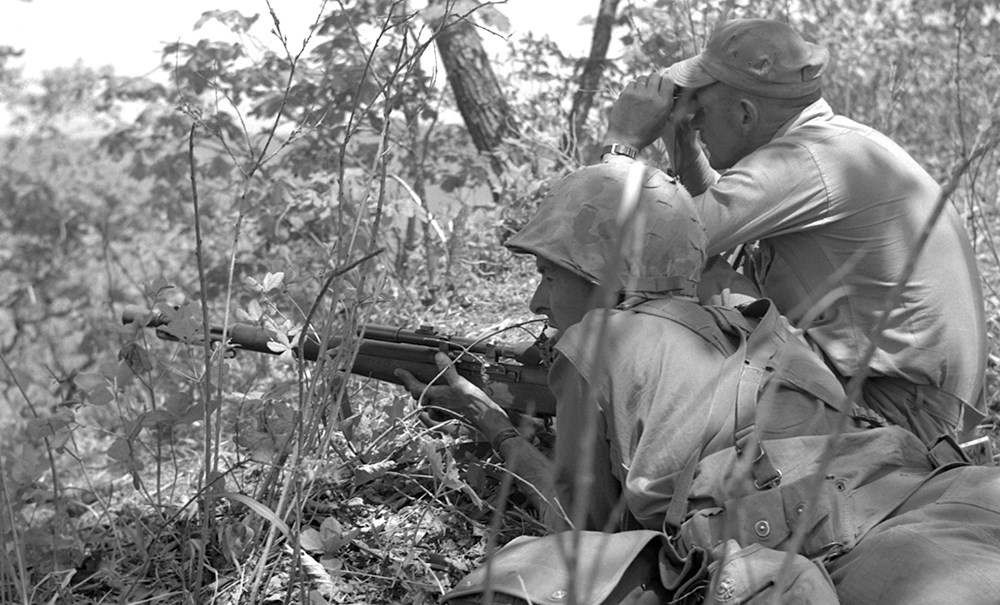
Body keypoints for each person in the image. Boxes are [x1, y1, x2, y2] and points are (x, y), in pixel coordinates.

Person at [396, 162, 1000, 604]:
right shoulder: (761, 321)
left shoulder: (598, 339)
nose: (536, 299)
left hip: (847, 550)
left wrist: (496, 428)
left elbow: (585, 524)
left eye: (550, 275)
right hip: (947, 488)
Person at [601, 18, 987, 445]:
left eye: (702, 110)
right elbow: (718, 218)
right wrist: (683, 142)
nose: (694, 120)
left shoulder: (804, 161)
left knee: (705, 287)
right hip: (930, 411)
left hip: (905, 424)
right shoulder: (833, 145)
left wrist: (622, 143)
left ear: (746, 114)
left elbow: (661, 242)